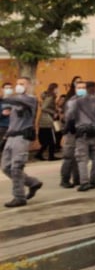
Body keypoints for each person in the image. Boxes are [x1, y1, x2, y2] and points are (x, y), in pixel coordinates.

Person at [2, 77, 44, 208]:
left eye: (22, 84)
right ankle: (32, 183)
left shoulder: (30, 99)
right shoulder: (15, 101)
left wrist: (4, 98)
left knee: (16, 167)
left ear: (29, 86)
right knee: (5, 167)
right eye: (17, 84)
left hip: (21, 138)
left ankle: (19, 197)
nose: (18, 86)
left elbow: (13, 100)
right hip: (10, 137)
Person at [65, 81, 95, 191]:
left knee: (82, 159)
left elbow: (69, 116)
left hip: (82, 134)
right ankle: (93, 181)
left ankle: (84, 182)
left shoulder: (74, 102)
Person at [34, 83, 60, 161]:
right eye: (57, 88)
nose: (58, 90)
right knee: (52, 139)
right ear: (54, 89)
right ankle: (51, 156)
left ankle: (39, 154)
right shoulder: (51, 97)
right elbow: (44, 107)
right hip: (48, 121)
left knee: (47, 140)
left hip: (44, 121)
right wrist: (54, 112)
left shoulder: (48, 97)